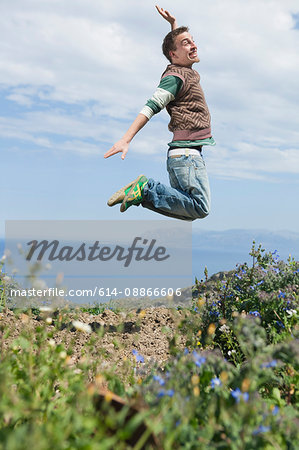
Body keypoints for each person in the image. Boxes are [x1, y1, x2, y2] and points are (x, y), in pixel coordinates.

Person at [104, 5, 215, 221]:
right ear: (174, 54)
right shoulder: (174, 77)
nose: (193, 45)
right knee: (200, 208)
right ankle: (145, 189)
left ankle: (142, 193)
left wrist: (173, 26)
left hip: (183, 156)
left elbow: (175, 49)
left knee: (188, 211)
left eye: (192, 40)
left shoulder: (183, 70)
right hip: (187, 156)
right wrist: (125, 139)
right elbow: (151, 106)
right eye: (186, 43)